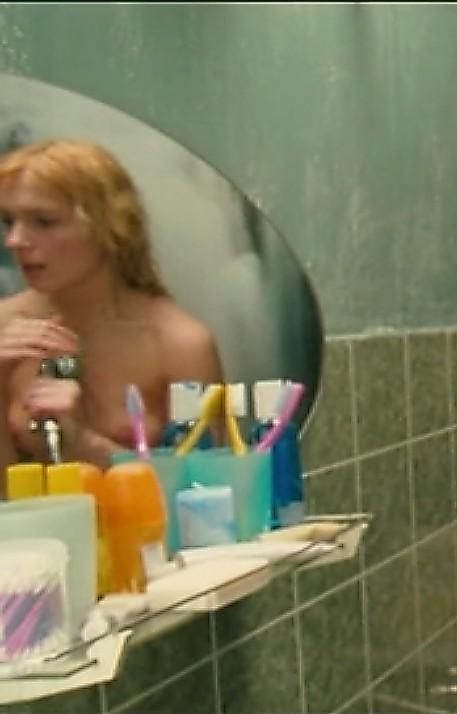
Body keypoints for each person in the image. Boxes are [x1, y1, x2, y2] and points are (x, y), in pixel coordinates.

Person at [0, 138, 224, 492]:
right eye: (8, 221)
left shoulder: (177, 343)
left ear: (110, 227)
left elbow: (207, 492)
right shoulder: (6, 327)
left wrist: (83, 443)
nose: (14, 240)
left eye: (44, 221)